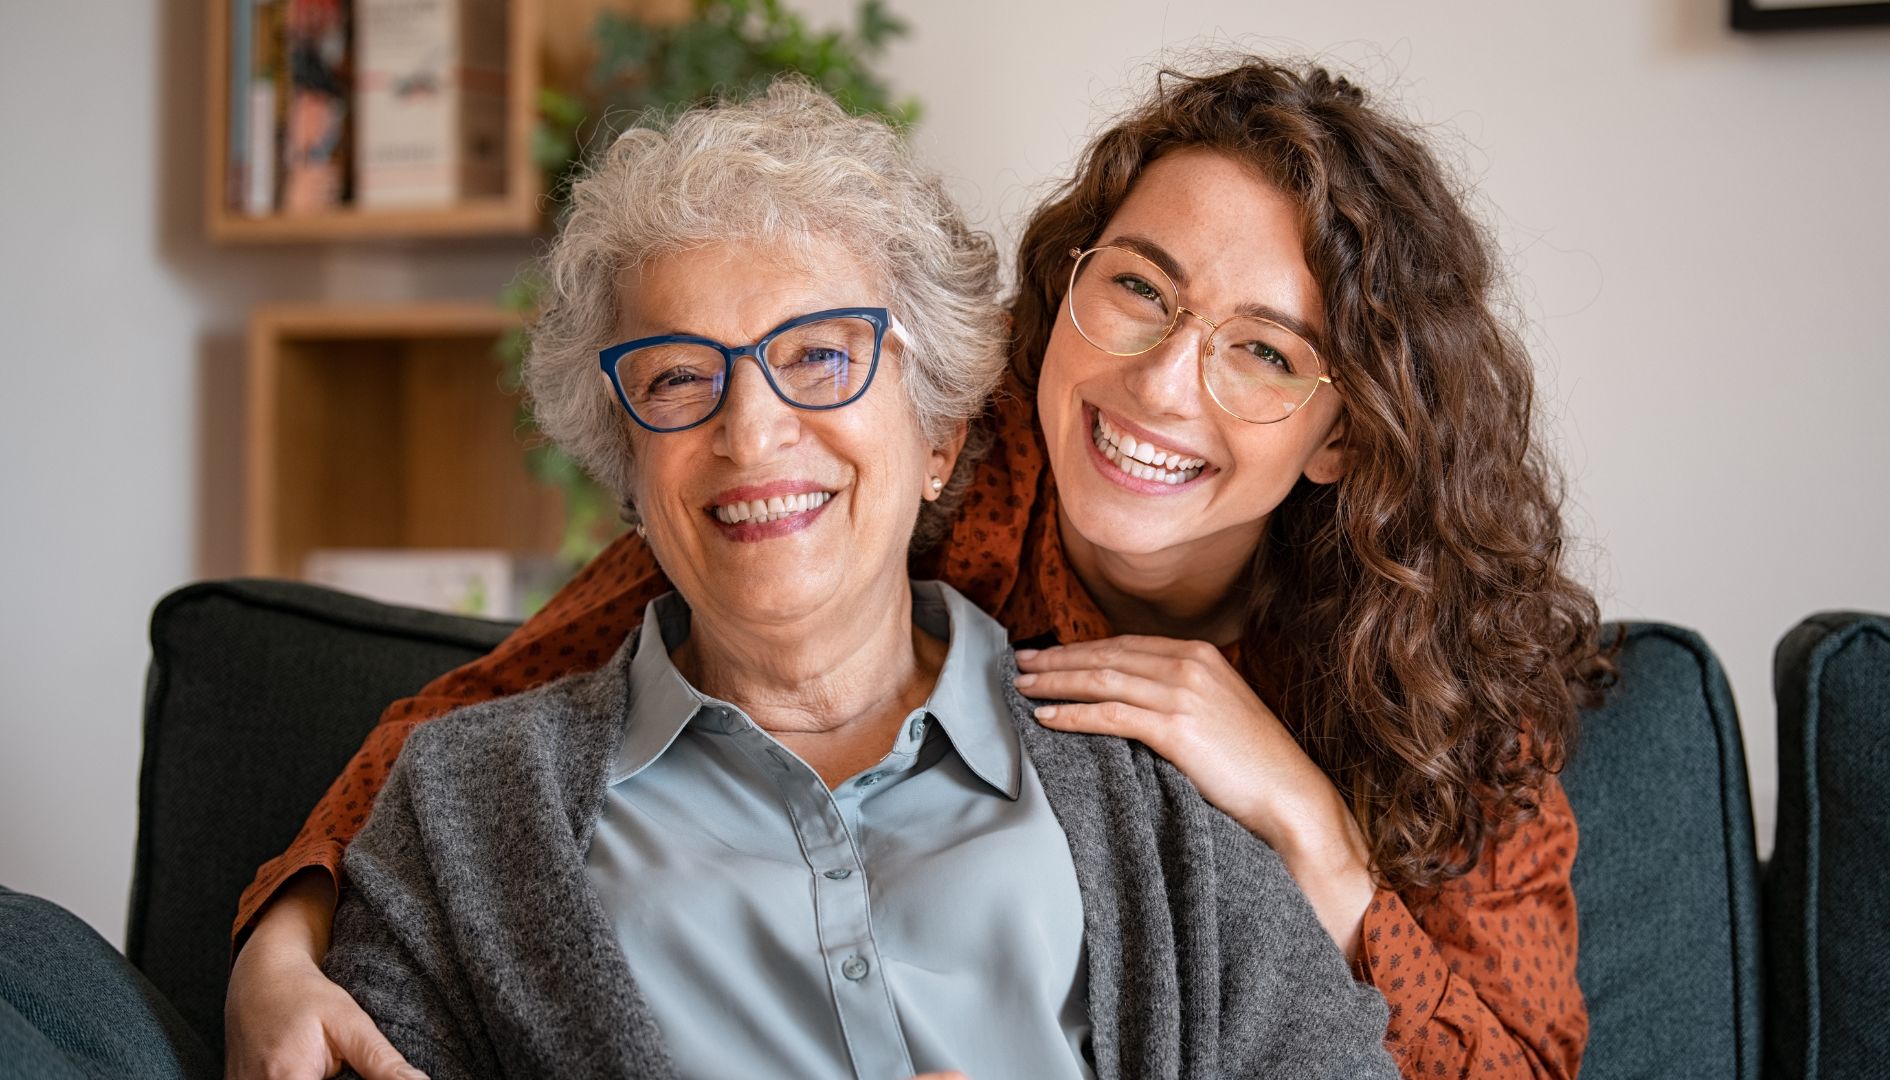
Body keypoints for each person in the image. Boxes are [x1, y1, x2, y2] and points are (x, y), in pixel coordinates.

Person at [227, 58, 1612, 1080]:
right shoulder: (910, 460)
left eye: (1263, 349)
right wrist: (279, 940)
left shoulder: (1434, 679)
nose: (1161, 389)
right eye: (1138, 287)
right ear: (1064, 290)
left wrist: (1310, 828)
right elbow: (476, 724)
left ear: (1340, 430)